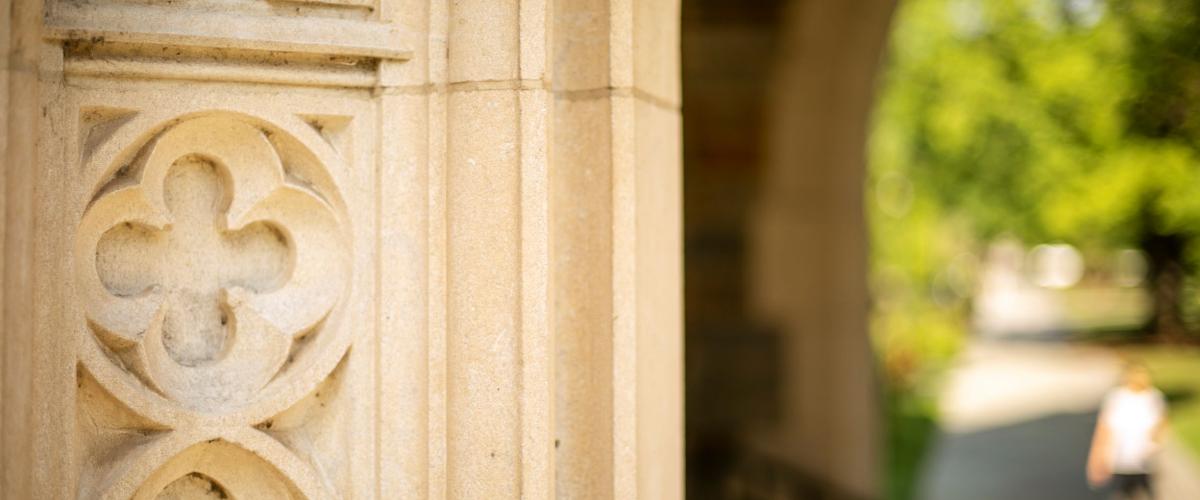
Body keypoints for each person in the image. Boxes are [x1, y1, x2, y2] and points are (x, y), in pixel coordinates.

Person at [1087, 363, 1168, 500]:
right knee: (1123, 493)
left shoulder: (1153, 397)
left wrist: (1154, 444)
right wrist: (1097, 457)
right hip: (1120, 458)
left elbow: (1162, 423)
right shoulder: (1116, 397)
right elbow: (1104, 428)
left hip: (1144, 459)